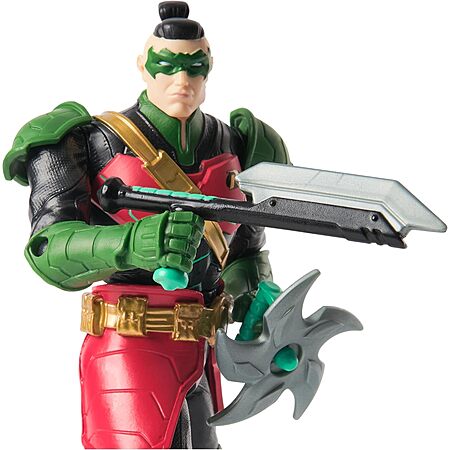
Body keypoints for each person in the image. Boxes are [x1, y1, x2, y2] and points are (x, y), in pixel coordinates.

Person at [3, 2, 290, 448]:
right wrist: (131, 242)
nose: (182, 81)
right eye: (167, 65)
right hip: (128, 347)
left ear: (209, 67)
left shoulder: (240, 143)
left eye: (194, 67)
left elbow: (245, 251)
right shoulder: (88, 140)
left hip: (202, 349)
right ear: (143, 65)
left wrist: (257, 298)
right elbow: (47, 250)